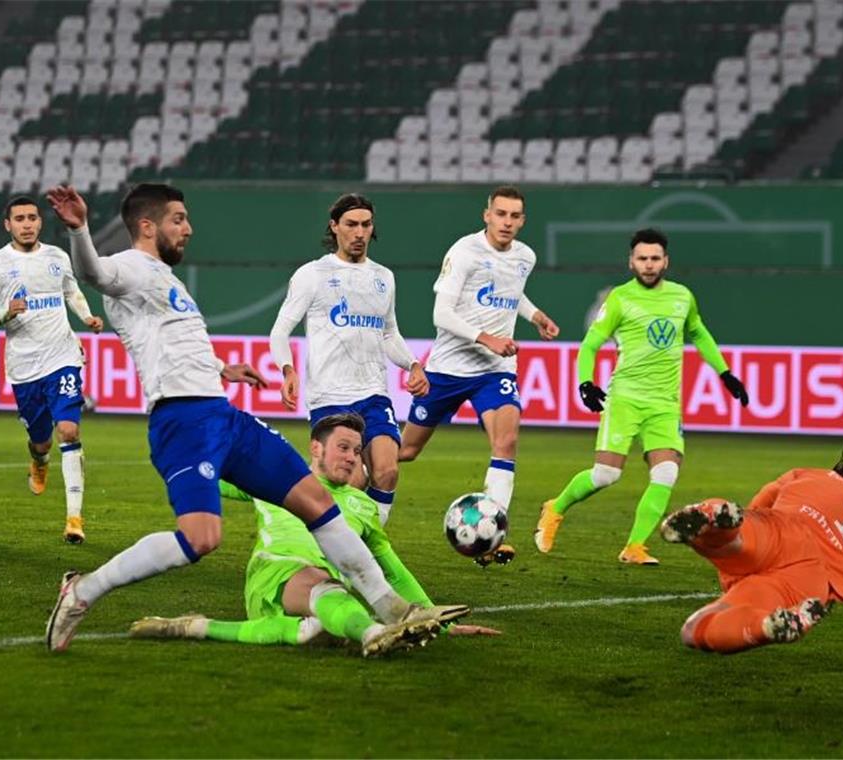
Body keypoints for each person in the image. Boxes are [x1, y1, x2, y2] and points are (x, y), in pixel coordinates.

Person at [42, 183, 466, 652]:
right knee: (202, 538)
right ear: (148, 226)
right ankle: (82, 591)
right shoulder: (128, 268)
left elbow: (170, 342)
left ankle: (394, 610)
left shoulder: (165, 278)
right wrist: (80, 229)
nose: (189, 228)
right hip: (182, 424)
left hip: (222, 414)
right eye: (178, 219)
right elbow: (93, 273)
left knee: (316, 501)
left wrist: (221, 368)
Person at [131, 413, 496, 656]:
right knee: (325, 587)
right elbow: (210, 479)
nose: (353, 457)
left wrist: (441, 626)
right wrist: (180, 461)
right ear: (316, 448)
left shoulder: (361, 505)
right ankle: (372, 636)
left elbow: (393, 572)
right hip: (274, 573)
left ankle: (196, 627)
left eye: (356, 451)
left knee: (315, 631)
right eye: (343, 448)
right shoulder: (278, 482)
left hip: (319, 596)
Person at [535, 228, 748, 565]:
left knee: (666, 474)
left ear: (666, 261)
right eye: (642, 259)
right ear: (631, 262)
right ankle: (555, 508)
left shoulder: (682, 297)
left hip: (665, 404)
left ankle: (634, 546)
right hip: (625, 399)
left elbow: (699, 333)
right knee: (606, 475)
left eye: (655, 258)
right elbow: (591, 344)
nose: (649, 264)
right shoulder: (620, 298)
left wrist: (725, 373)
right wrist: (585, 383)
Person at [398, 185, 559, 566]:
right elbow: (442, 314)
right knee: (406, 451)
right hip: (448, 368)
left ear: (522, 220)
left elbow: (512, 291)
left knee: (506, 444)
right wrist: (486, 337)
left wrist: (534, 315)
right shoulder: (465, 252)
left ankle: (493, 537)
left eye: (514, 216)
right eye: (500, 214)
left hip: (495, 370)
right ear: (486, 215)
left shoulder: (525, 257)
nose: (507, 222)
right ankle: (340, 477)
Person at [269, 194, 428, 526]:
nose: (359, 232)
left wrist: (413, 365)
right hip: (330, 397)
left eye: (366, 225)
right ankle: (337, 548)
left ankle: (369, 547)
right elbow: (280, 331)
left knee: (387, 472)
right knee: (351, 484)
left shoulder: (384, 277)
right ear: (334, 227)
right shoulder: (312, 274)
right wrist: (287, 370)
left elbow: (389, 333)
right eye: (351, 224)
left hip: (373, 393)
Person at [659, 455, 843, 653]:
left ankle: (718, 522)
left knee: (738, 540)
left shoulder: (817, 475)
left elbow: (766, 497)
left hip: (785, 531)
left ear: (842, 473)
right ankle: (763, 627)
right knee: (694, 631)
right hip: (812, 579)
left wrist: (750, 527)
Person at [0, 196, 104, 543]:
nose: (27, 223)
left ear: (40, 222)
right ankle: (39, 459)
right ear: (8, 225)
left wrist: (86, 316)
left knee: (69, 432)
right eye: (20, 218)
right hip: (24, 367)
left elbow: (71, 291)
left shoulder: (57, 257)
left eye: (32, 217)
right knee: (42, 440)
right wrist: (6, 313)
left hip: (62, 356)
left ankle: (74, 519)